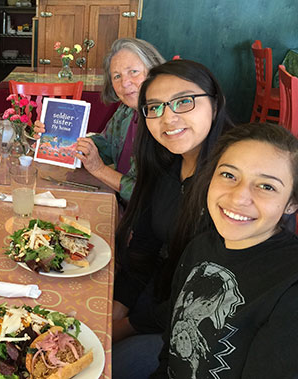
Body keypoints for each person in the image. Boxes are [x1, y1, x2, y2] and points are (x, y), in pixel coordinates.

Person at [112, 59, 234, 377]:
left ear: (215, 102)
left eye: (183, 101)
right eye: (154, 107)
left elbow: (209, 294)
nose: (168, 118)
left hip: (206, 325)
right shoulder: (167, 164)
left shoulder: (232, 184)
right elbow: (144, 248)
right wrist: (117, 306)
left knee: (118, 363)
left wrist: (125, 326)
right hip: (159, 294)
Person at [152, 122, 298, 377]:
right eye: (229, 175)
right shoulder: (201, 246)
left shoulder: (289, 289)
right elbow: (169, 348)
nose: (239, 197)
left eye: (266, 186)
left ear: (291, 203)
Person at [34, 38, 165, 201]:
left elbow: (149, 195)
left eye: (133, 72)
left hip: (144, 220)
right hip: (118, 205)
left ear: (153, 70)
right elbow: (105, 146)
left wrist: (99, 169)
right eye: (117, 76)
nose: (125, 82)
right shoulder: (126, 111)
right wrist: (58, 137)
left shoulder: (166, 123)